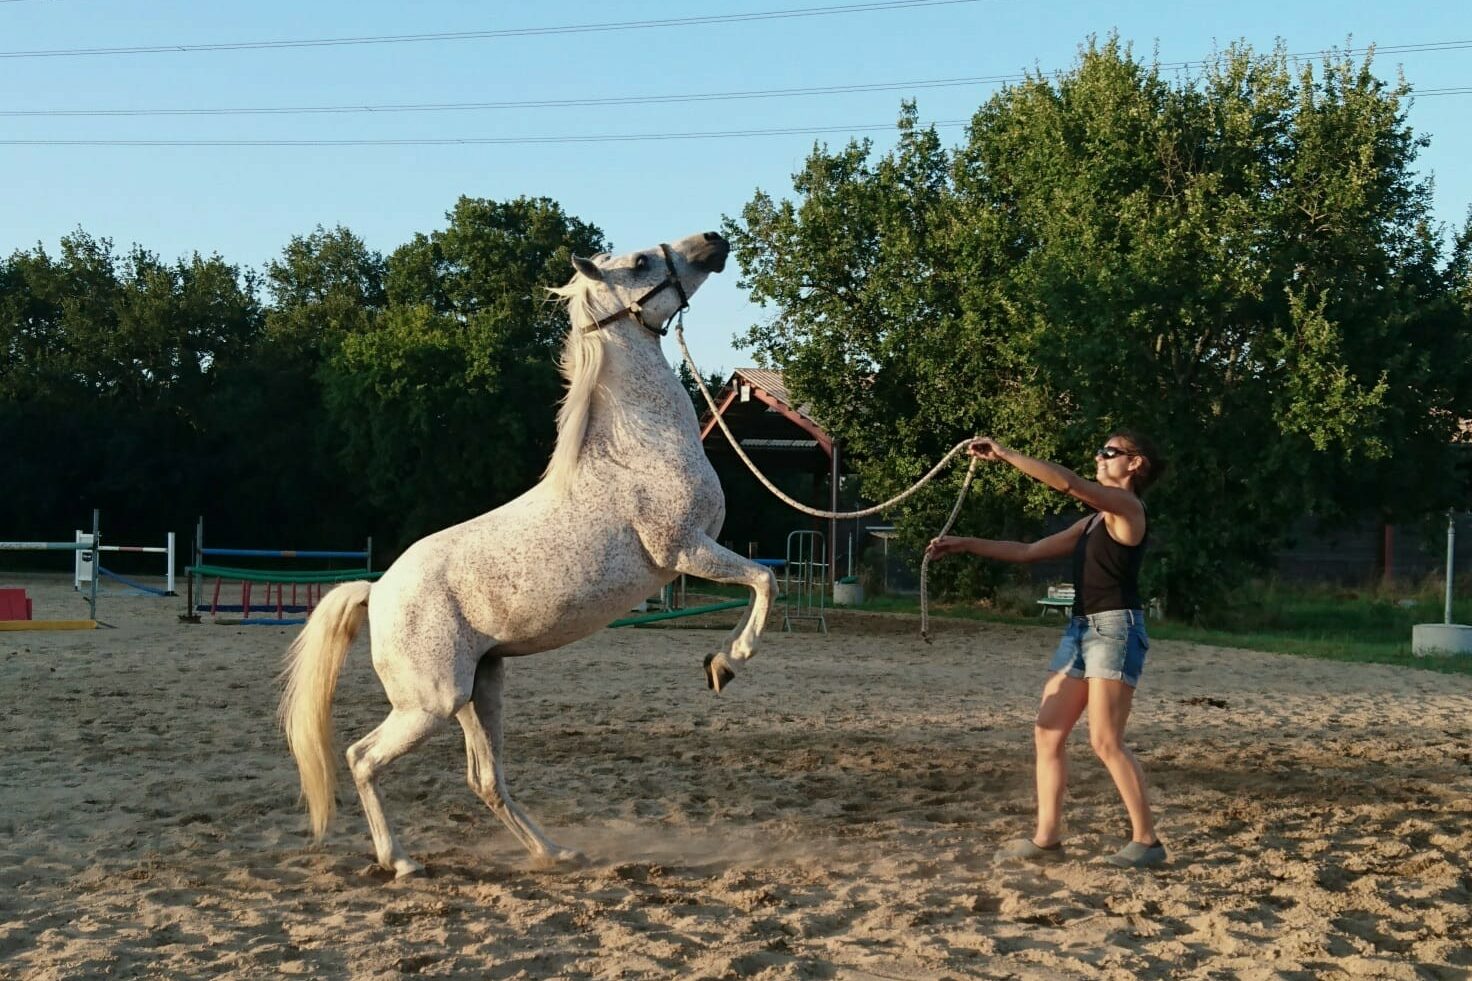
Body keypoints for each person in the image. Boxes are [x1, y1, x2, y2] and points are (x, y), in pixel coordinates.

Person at [926, 431, 1168, 868]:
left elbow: (1070, 483)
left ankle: (1147, 841)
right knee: (1048, 730)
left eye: (1109, 452)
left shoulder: (1128, 509)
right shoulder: (1094, 521)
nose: (1100, 456)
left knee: (1105, 741)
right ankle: (1047, 840)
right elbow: (1028, 552)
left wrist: (1006, 453)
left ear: (1136, 464)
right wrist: (964, 544)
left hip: (1115, 630)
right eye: (1099, 450)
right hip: (1080, 630)